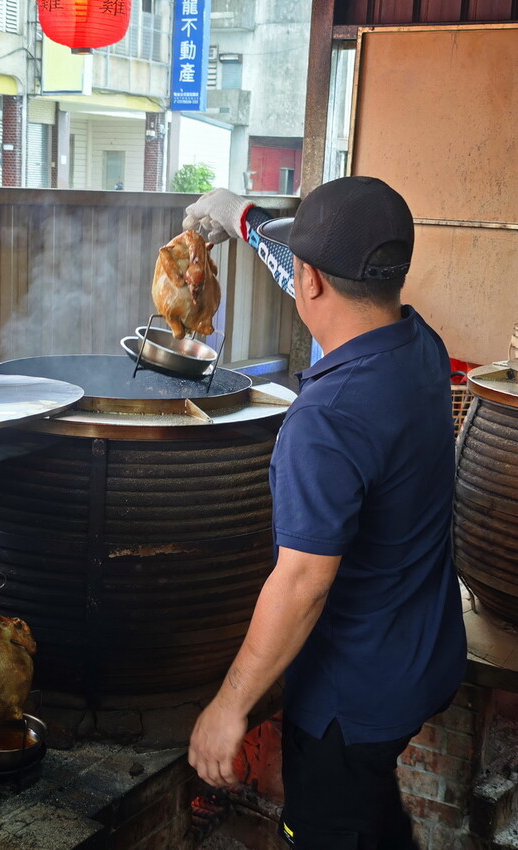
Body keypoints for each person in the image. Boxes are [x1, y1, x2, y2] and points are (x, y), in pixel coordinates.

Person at [183, 177, 467, 850]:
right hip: (426, 656)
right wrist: (241, 218)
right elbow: (308, 273)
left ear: (312, 280)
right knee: (372, 817)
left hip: (350, 696)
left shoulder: (327, 419)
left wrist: (229, 706)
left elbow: (303, 582)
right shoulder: (419, 344)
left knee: (331, 828)